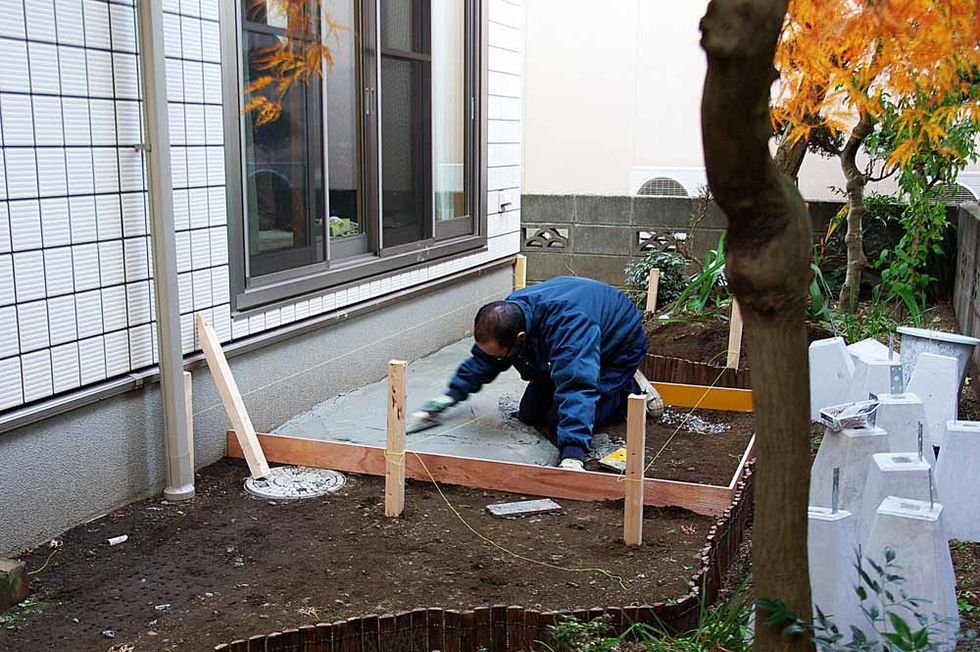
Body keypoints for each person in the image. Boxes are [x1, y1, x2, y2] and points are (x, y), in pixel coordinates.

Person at [416, 276, 662, 470]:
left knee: (559, 420)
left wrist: (573, 454)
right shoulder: (513, 313)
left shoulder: (570, 327)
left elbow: (577, 385)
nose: (499, 359)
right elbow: (485, 361)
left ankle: (629, 388)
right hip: (571, 339)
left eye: (502, 354)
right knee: (530, 414)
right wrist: (451, 396)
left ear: (520, 338)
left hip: (617, 346)